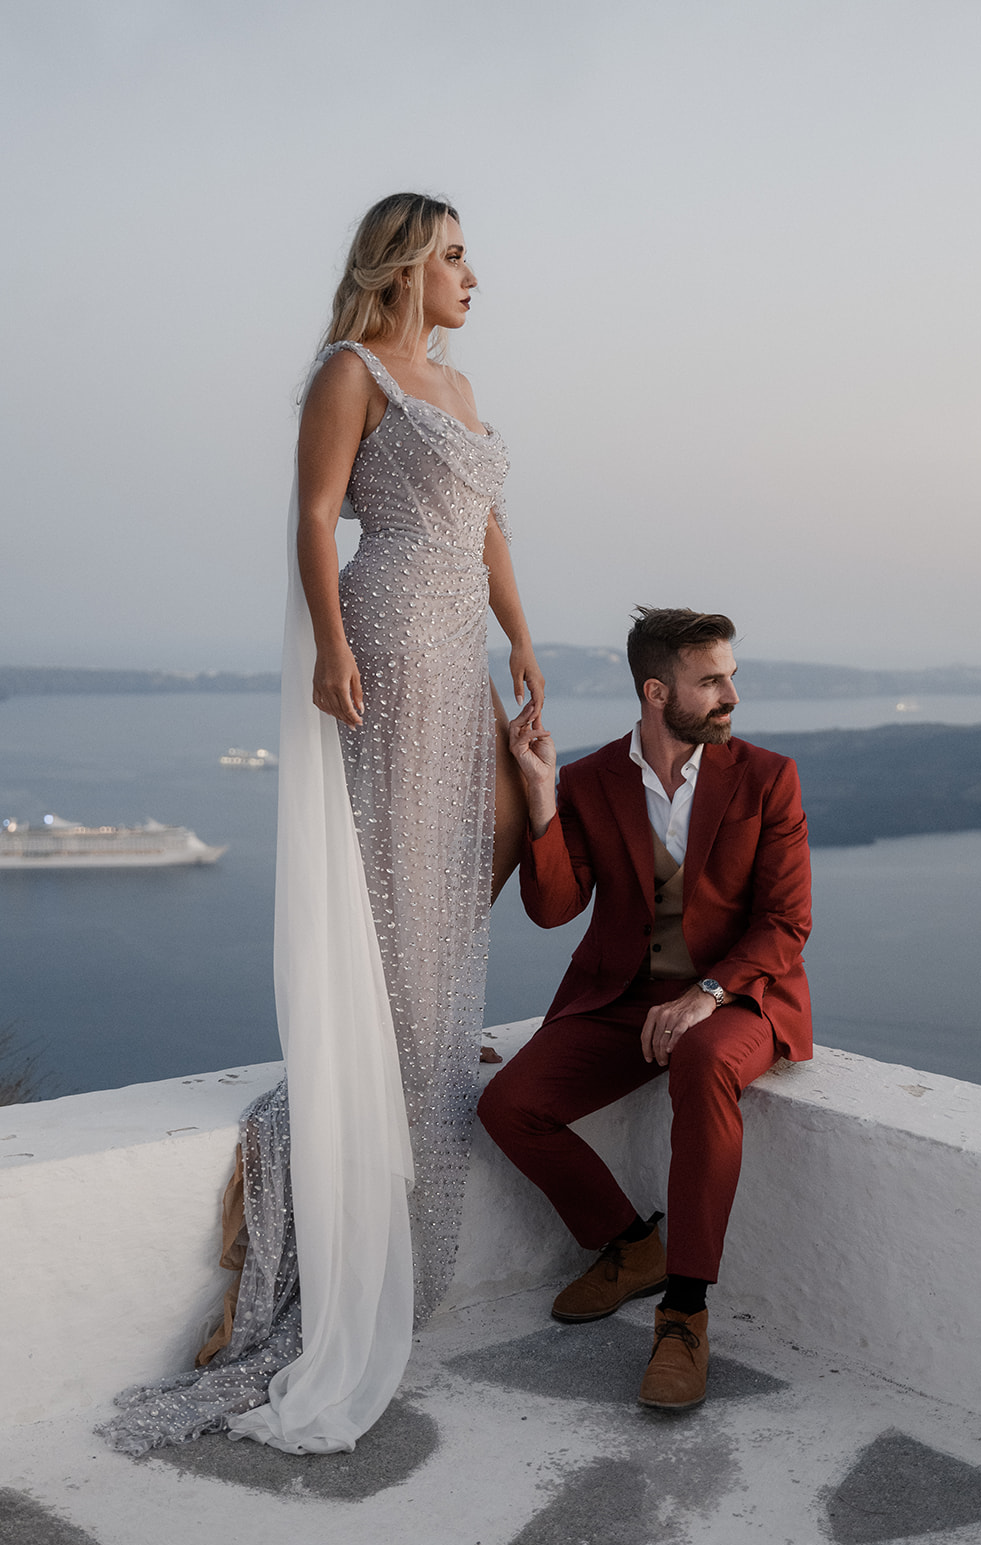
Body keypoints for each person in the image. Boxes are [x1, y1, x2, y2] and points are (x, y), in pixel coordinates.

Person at [104, 194, 542, 1457]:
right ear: (405, 263)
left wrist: (522, 637)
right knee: (395, 900)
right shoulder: (348, 372)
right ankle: (319, 1148)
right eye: (455, 253)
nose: (474, 273)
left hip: (461, 652)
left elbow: (496, 527)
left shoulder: (457, 389)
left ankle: (398, 1104)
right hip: (391, 644)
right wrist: (333, 649)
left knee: (457, 881)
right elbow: (310, 516)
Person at [478, 607, 812, 1410]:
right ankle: (631, 1247)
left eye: (730, 675)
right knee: (509, 1106)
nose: (732, 693)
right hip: (623, 998)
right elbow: (555, 908)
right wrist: (540, 794)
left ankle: (685, 1314)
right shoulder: (592, 782)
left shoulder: (766, 778)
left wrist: (705, 996)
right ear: (657, 692)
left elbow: (785, 923)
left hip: (737, 997)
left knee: (701, 1062)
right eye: (712, 680)